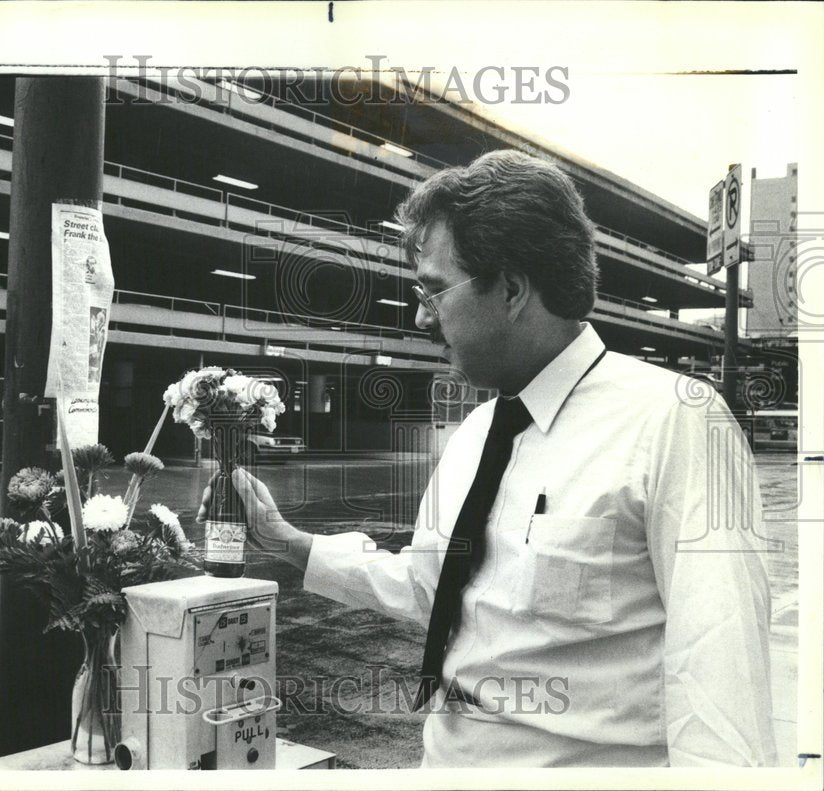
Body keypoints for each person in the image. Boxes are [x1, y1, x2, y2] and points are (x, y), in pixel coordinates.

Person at [199, 150, 778, 767]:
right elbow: (430, 586)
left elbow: (720, 682)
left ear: (511, 289)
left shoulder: (677, 421)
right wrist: (287, 539)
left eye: (433, 290)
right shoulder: (476, 432)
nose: (423, 316)